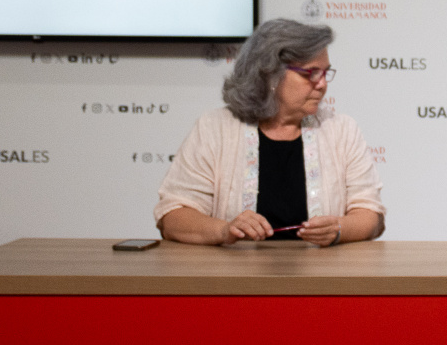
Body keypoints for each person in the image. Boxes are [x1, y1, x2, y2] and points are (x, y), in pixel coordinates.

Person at [155, 18, 385, 246]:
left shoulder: (341, 130)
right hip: (234, 278)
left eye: (325, 73)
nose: (322, 84)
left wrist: (338, 229)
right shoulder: (215, 128)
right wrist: (224, 230)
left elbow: (370, 216)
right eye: (311, 73)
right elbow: (173, 218)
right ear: (270, 74)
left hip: (322, 278)